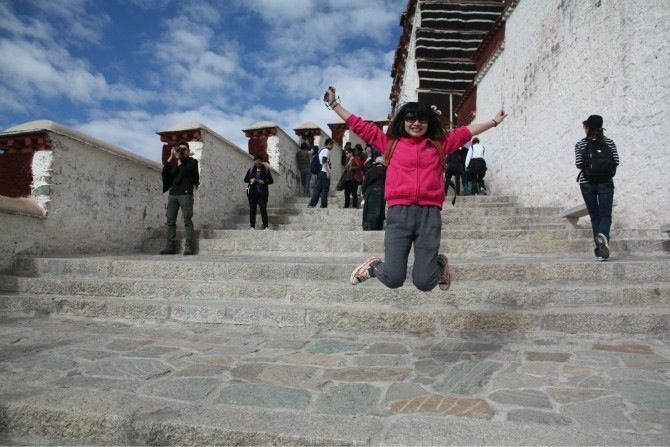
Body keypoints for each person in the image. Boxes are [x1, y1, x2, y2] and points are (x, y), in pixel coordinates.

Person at [324, 85, 506, 291]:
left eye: (422, 119)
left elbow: (465, 133)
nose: (416, 123)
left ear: (429, 122)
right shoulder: (390, 143)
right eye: (411, 118)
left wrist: (493, 122)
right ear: (403, 121)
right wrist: (334, 104)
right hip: (399, 214)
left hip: (429, 216)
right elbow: (360, 126)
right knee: (393, 278)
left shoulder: (440, 144)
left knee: (424, 282)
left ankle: (440, 264)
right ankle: (374, 267)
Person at [575, 114, 619, 261]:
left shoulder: (581, 144)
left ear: (587, 127)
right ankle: (602, 238)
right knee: (605, 215)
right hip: (606, 182)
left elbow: (579, 164)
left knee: (595, 216)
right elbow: (616, 161)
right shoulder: (609, 142)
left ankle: (600, 251)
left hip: (587, 183)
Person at [160, 141, 199, 255]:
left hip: (185, 194)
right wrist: (171, 157)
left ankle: (189, 247)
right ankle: (169, 247)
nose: (181, 151)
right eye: (179, 149)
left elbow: (187, 172)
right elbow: (165, 174)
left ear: (188, 151)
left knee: (187, 220)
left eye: (184, 149)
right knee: (170, 221)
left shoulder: (192, 162)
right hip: (173, 194)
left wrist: (179, 160)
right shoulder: (174, 163)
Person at [244, 154, 274, 230]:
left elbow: (271, 181)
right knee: (252, 210)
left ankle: (266, 226)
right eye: (256, 161)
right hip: (252, 193)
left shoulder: (266, 170)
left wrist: (264, 182)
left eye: (259, 161)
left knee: (263, 209)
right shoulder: (251, 170)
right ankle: (252, 227)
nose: (258, 163)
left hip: (262, 193)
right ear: (254, 161)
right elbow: (245, 179)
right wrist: (250, 180)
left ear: (262, 162)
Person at [362, 155, 386, 230]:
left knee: (368, 209)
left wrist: (363, 192)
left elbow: (365, 182)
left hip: (370, 191)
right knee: (380, 209)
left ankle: (368, 226)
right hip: (381, 191)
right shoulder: (386, 170)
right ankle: (378, 227)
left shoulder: (370, 170)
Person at [307, 138, 334, 208]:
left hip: (320, 173)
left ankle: (312, 204)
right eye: (332, 145)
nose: (332, 147)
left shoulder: (321, 150)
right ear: (329, 144)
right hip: (324, 172)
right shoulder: (326, 151)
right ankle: (323, 205)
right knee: (325, 190)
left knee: (318, 189)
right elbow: (324, 161)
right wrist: (327, 172)